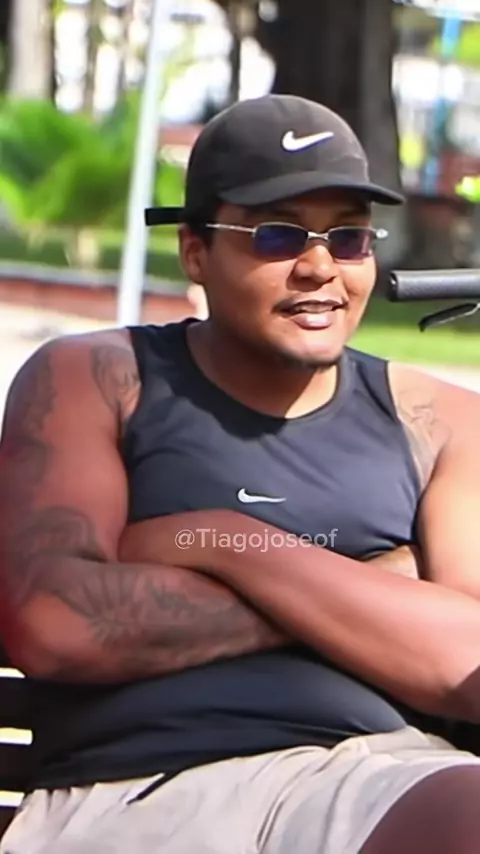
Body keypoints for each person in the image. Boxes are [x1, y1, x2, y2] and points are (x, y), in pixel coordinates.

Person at [2, 94, 480, 854]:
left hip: (380, 780)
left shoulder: (440, 422)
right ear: (195, 252)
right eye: (278, 234)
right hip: (141, 790)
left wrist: (223, 542)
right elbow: (57, 624)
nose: (319, 267)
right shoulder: (98, 379)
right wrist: (378, 587)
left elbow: (468, 660)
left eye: (349, 238)